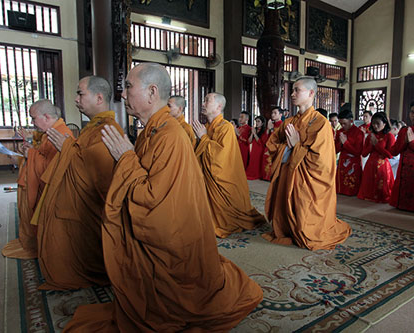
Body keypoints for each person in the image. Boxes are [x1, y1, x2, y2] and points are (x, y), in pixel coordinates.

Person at [64, 63, 263, 332]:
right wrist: (127, 158)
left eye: (129, 87)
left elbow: (154, 202)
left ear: (152, 92)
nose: (122, 95)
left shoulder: (169, 135)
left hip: (174, 236)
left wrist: (125, 158)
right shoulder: (152, 131)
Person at [31, 76, 123, 290]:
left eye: (80, 94)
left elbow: (98, 176)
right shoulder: (93, 127)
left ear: (99, 98)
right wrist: (69, 149)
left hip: (92, 204)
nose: (75, 99)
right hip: (79, 200)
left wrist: (68, 149)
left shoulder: (108, 129)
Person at [263, 77, 351, 250]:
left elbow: (322, 160)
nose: (293, 94)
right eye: (292, 90)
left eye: (297, 90)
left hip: (307, 177)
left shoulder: (321, 123)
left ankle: (305, 228)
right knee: (285, 210)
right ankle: (288, 228)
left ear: (311, 93)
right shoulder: (289, 121)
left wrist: (296, 146)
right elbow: (272, 144)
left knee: (304, 216)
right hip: (288, 172)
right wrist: (288, 147)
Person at [1, 100, 73, 259]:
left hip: (50, 189)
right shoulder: (50, 132)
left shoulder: (61, 133)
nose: (32, 123)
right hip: (36, 181)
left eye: (33, 118)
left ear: (46, 117)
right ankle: (34, 242)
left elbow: (54, 169)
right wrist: (31, 151)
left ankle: (42, 246)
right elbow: (42, 154)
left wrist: (31, 155)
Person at [192, 93, 265, 238]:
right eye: (204, 100)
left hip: (222, 176)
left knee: (226, 218)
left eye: (207, 101)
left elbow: (220, 157)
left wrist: (203, 137)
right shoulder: (207, 126)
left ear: (219, 106)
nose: (203, 103)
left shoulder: (225, 127)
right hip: (207, 175)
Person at [357, 112, 395, 203]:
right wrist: (371, 145)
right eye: (373, 123)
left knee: (382, 190)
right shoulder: (370, 136)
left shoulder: (389, 136)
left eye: (378, 123)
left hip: (383, 166)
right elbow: (364, 154)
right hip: (370, 165)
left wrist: (376, 145)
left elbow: (390, 155)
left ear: (384, 124)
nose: (375, 126)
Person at [335, 110, 364, 196]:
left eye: (345, 123)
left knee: (351, 188)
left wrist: (346, 143)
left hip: (353, 162)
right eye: (341, 124)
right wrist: (340, 143)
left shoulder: (358, 133)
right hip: (342, 161)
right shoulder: (339, 132)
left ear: (351, 120)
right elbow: (335, 150)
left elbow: (358, 152)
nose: (343, 126)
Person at [262, 107, 284, 181]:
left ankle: (271, 177)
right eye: (272, 113)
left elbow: (278, 138)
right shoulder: (271, 124)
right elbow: (265, 138)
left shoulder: (282, 125)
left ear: (280, 114)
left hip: (276, 147)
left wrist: (271, 129)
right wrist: (268, 129)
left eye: (275, 113)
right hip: (268, 146)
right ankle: (265, 176)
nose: (273, 115)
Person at [246, 115, 268, 180]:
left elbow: (261, 143)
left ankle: (258, 174)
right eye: (256, 121)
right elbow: (249, 141)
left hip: (260, 149)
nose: (257, 123)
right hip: (253, 148)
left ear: (262, 123)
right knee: (252, 161)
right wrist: (252, 133)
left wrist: (255, 134)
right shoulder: (254, 130)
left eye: (258, 121)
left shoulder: (264, 131)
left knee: (257, 162)